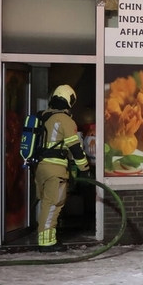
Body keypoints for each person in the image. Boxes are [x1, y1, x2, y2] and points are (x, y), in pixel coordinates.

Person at [34, 84, 90, 252]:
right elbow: (75, 149)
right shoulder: (65, 120)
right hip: (55, 169)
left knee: (45, 202)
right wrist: (85, 169)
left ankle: (45, 236)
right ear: (69, 101)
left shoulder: (41, 116)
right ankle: (46, 242)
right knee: (53, 204)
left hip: (40, 167)